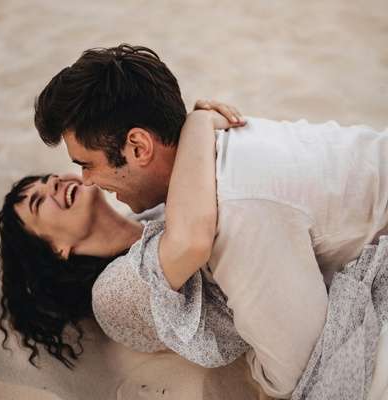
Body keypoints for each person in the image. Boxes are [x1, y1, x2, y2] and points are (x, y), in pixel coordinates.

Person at [34, 44, 388, 398]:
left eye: (87, 164)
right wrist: (198, 123)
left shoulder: (231, 210)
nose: (85, 180)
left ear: (139, 147)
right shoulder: (221, 146)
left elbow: (297, 370)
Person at [0, 107, 253, 372]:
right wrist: (199, 121)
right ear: (57, 249)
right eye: (39, 202)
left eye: (48, 179)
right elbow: (190, 243)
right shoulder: (110, 295)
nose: (54, 182)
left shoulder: (148, 210)